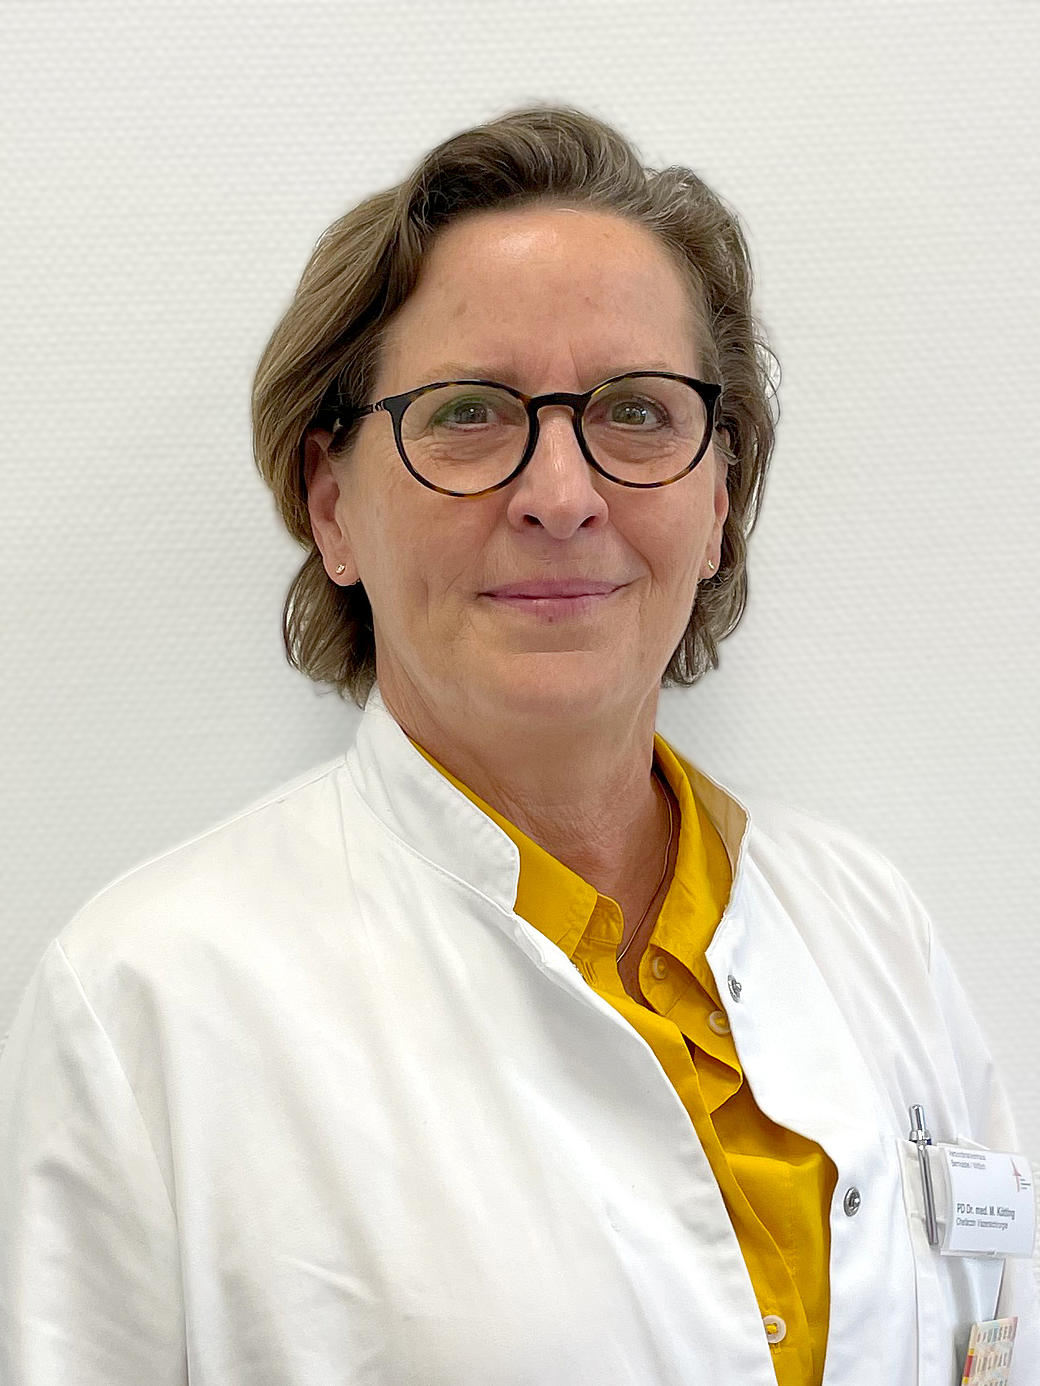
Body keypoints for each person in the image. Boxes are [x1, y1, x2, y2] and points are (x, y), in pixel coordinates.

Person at [0, 105, 1035, 1386]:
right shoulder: (148, 1005)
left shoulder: (870, 926)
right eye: (469, 414)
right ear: (333, 507)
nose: (559, 495)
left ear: (718, 497)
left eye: (637, 412)